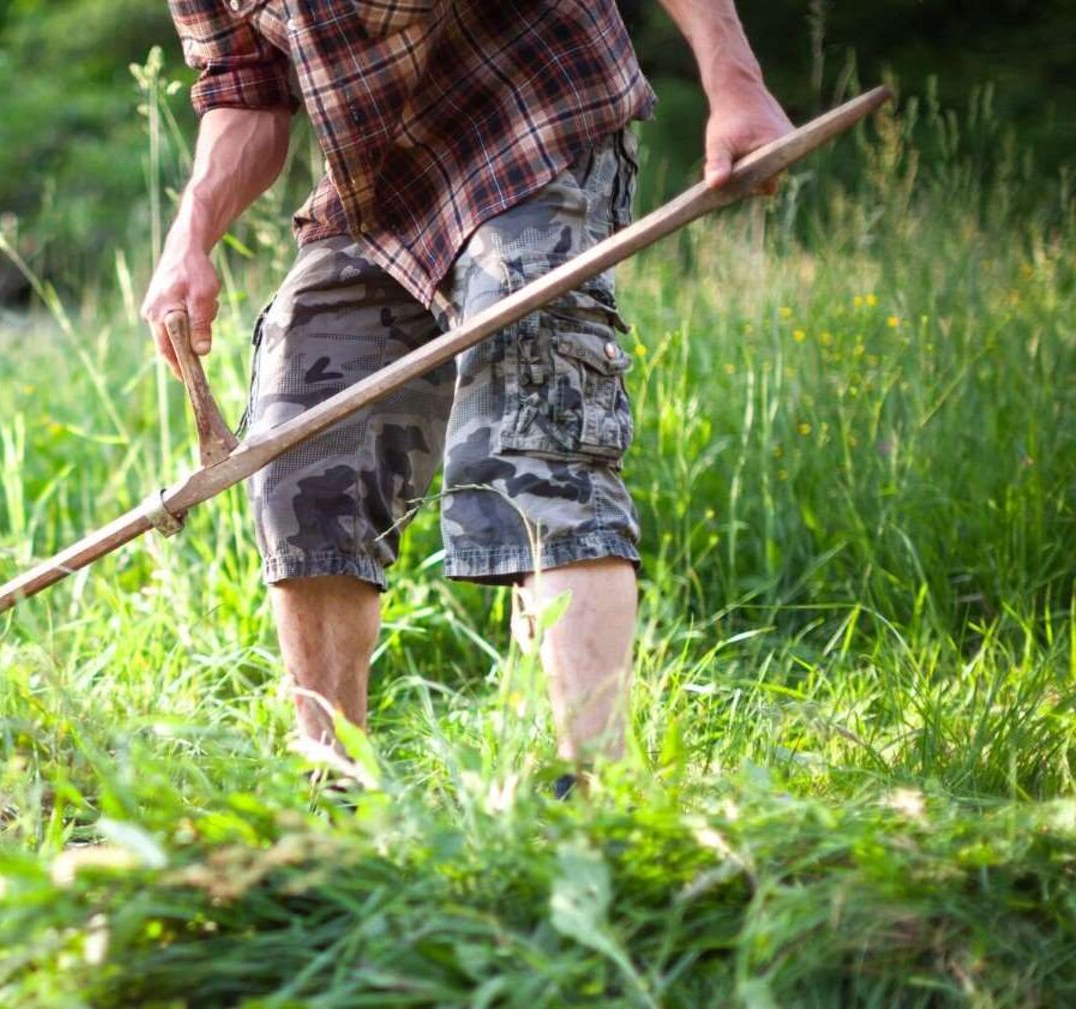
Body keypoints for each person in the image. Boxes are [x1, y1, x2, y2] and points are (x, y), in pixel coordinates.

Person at [142, 0, 791, 790]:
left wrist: (736, 83)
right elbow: (244, 90)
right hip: (377, 192)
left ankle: (592, 799)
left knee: (531, 433)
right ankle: (334, 795)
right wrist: (189, 237)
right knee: (298, 451)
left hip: (537, 122)